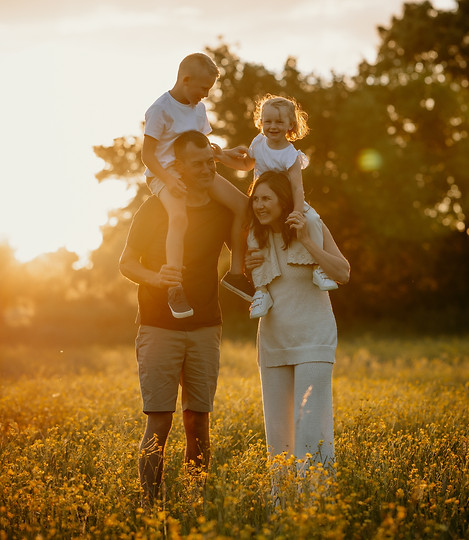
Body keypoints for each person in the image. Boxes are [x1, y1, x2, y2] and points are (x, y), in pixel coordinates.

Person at [120, 130, 241, 504]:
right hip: (158, 325)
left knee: (198, 422)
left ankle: (195, 500)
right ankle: (149, 503)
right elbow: (125, 263)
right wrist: (156, 278)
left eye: (210, 162)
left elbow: (247, 233)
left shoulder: (222, 210)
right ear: (179, 168)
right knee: (159, 421)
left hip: (206, 325)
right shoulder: (155, 207)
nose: (206, 169)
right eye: (198, 164)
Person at [244, 171, 350, 484]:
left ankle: (316, 511)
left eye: (267, 198)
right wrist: (249, 273)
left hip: (314, 338)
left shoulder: (311, 227)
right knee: (278, 437)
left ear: (283, 200)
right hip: (274, 341)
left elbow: (343, 272)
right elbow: (260, 292)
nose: (260, 205)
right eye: (256, 199)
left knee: (311, 430)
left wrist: (305, 241)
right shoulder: (255, 237)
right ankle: (282, 514)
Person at [141, 52, 253, 319]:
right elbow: (147, 155)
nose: (206, 94)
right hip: (165, 173)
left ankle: (236, 273)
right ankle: (175, 287)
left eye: (209, 89)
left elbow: (203, 149)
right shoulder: (160, 109)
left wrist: (225, 155)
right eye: (203, 88)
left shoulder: (199, 110)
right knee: (179, 217)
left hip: (196, 171)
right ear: (186, 79)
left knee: (243, 206)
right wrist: (169, 180)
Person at [216, 94, 337, 319]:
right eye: (268, 121)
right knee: (254, 237)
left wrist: (298, 212)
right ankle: (261, 291)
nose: (272, 126)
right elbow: (245, 164)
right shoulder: (258, 143)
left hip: (289, 201)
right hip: (262, 200)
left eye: (279, 122)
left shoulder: (290, 155)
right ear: (260, 122)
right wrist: (221, 157)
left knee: (311, 221)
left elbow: (297, 188)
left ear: (291, 125)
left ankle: (317, 268)